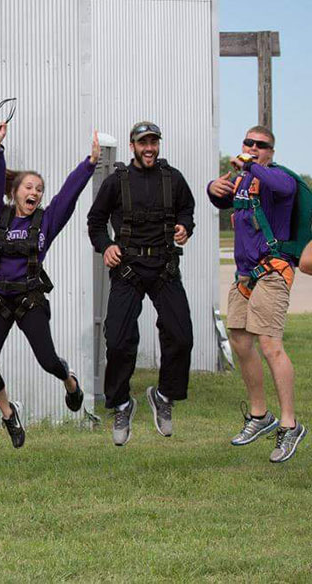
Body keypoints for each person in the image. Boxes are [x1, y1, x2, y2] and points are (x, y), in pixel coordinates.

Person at [0, 122, 98, 449]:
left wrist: (89, 165)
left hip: (29, 300)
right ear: (15, 192)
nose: (35, 193)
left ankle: (70, 382)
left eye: (39, 189)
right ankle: (8, 413)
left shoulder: (46, 221)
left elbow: (67, 196)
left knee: (48, 361)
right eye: (29, 187)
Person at [87, 121, 195, 446]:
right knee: (118, 341)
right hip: (128, 268)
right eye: (143, 142)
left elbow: (187, 210)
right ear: (133, 146)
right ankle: (121, 404)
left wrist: (185, 227)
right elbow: (95, 221)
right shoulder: (116, 182)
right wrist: (106, 246)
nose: (149, 148)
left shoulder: (172, 179)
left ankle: (163, 396)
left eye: (154, 142)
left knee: (181, 337)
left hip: (164, 266)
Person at [207, 125, 306, 462]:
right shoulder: (243, 181)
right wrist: (213, 186)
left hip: (274, 270)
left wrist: (249, 165)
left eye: (260, 145)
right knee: (238, 338)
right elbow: (219, 197)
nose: (252, 147)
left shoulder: (281, 179)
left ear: (271, 151)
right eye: (247, 142)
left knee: (269, 343)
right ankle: (261, 415)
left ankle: (290, 424)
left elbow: (279, 185)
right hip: (245, 275)